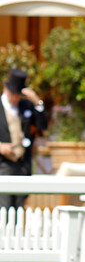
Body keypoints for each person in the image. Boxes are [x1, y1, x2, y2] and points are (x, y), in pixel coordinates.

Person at [0, 68, 47, 210]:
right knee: (4, 206)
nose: (15, 98)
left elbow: (42, 125)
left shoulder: (25, 106)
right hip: (3, 165)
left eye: (18, 95)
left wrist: (37, 101)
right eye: (13, 94)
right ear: (5, 89)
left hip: (23, 165)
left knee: (19, 208)